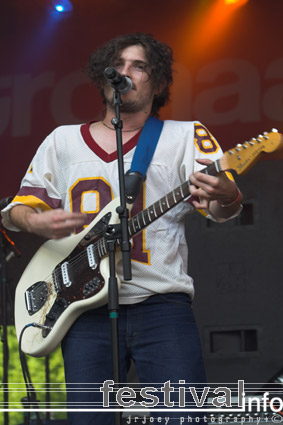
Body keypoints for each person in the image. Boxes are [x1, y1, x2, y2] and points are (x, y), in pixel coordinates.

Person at [1, 33, 243, 424]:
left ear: (159, 83)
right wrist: (34, 220)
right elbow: (14, 211)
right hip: (81, 311)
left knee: (182, 417)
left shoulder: (185, 136)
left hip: (162, 305)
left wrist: (228, 193)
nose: (125, 72)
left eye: (139, 66)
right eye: (119, 65)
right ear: (103, 76)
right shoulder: (62, 141)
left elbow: (217, 207)